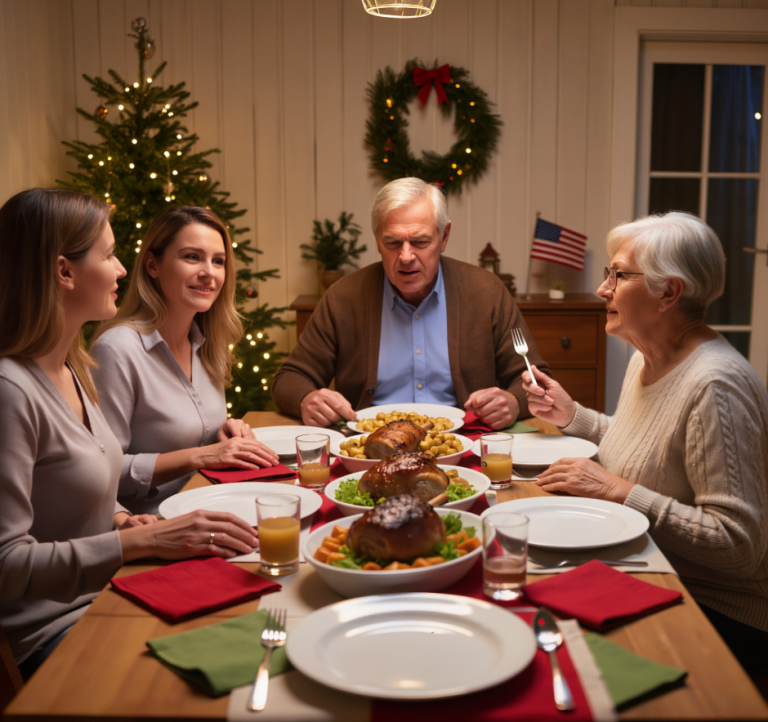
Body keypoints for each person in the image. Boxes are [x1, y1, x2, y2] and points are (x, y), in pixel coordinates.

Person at [0, 189, 259, 680]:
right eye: (108, 255)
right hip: (57, 627)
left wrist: (120, 522)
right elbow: (6, 565)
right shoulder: (11, 390)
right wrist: (139, 540)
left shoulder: (71, 367)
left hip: (113, 588)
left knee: (258, 624)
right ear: (64, 272)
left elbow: (85, 489)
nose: (122, 269)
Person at [523, 211, 768, 688]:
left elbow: (738, 544)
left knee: (552, 656)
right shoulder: (647, 357)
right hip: (652, 566)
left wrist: (618, 491)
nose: (603, 288)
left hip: (719, 608)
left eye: (619, 275)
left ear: (668, 293)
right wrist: (572, 416)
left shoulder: (715, 385)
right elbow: (646, 446)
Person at [273, 178, 549, 429]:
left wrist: (514, 401)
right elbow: (290, 377)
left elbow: (535, 379)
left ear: (444, 236)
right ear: (377, 239)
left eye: (420, 241)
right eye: (393, 242)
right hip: (369, 446)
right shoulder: (343, 297)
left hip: (462, 443)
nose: (406, 257)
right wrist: (306, 399)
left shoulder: (486, 292)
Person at [90, 206, 279, 516]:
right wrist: (201, 456)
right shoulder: (116, 349)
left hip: (216, 502)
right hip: (155, 523)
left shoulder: (208, 341)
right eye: (193, 257)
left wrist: (224, 431)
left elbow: (195, 435)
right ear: (153, 265)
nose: (209, 272)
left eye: (218, 261)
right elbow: (101, 473)